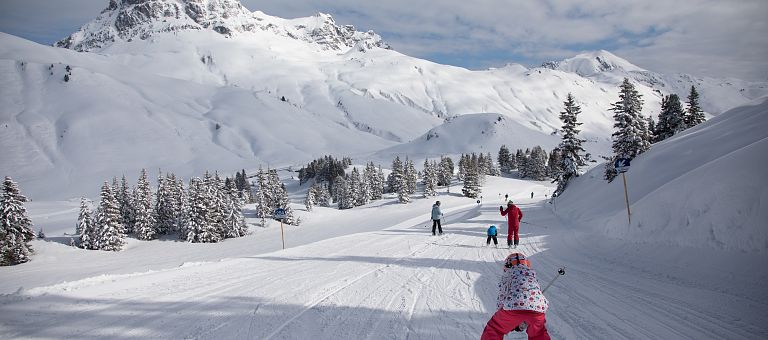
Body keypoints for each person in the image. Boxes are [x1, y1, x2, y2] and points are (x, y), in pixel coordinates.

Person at [481, 253, 550, 340]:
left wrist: (505, 316)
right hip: (538, 309)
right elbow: (533, 299)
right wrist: (522, 320)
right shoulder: (532, 275)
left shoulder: (508, 275)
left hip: (513, 308)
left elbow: (502, 296)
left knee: (495, 328)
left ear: (507, 265)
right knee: (538, 334)